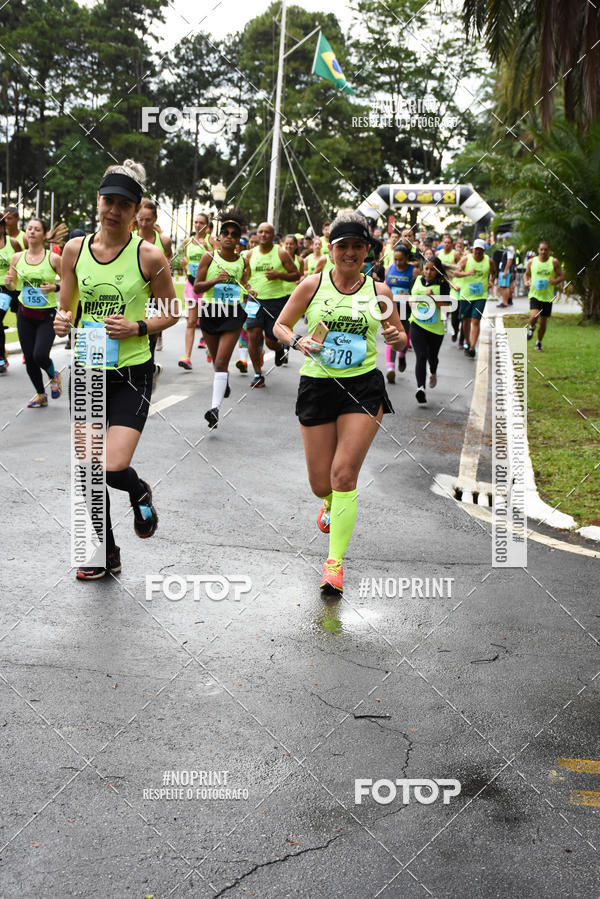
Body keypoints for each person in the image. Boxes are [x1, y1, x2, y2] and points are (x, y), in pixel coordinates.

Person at [53, 159, 178, 580]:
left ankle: (137, 489)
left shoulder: (149, 256)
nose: (113, 210)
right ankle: (106, 553)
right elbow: (67, 304)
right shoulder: (74, 250)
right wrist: (62, 319)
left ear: (134, 210)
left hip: (132, 373)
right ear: (98, 202)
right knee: (87, 470)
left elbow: (174, 312)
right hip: (88, 370)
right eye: (108, 201)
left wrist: (138, 326)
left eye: (123, 205)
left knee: (110, 466)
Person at [273, 212, 406, 594]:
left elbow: (397, 336)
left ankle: (334, 564)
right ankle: (329, 503)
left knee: (344, 474)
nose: (350, 253)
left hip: (362, 387)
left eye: (358, 246)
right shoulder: (311, 286)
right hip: (317, 386)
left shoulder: (379, 292)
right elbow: (279, 326)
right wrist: (296, 341)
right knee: (320, 483)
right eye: (343, 246)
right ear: (331, 249)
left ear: (368, 251)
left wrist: (397, 340)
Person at [193, 208, 252, 429]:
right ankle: (223, 380)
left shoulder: (242, 261)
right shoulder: (210, 257)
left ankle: (215, 410)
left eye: (234, 234)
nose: (229, 236)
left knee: (220, 362)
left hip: (232, 314)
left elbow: (243, 285)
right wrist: (215, 280)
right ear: (219, 236)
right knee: (216, 359)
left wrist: (249, 290)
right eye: (225, 232)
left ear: (238, 239)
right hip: (210, 311)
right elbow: (198, 286)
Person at [4, 218, 62, 405]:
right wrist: (9, 283)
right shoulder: (17, 257)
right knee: (29, 358)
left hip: (46, 315)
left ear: (44, 234)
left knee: (40, 355)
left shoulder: (53, 258)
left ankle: (54, 376)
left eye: (37, 229)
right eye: (29, 229)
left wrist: (54, 287)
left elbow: (68, 282)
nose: (31, 232)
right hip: (25, 313)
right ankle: (40, 395)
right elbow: (13, 285)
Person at [245, 221, 300, 387]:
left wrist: (278, 275)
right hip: (255, 301)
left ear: (273, 235)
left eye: (267, 232)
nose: (263, 235)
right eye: (260, 232)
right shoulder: (250, 254)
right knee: (253, 336)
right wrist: (247, 288)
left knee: (270, 340)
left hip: (276, 301)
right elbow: (243, 276)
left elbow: (296, 274)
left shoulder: (281, 253)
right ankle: (257, 374)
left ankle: (279, 350)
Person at [134, 198, 173, 392]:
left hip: (154, 295)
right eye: (140, 219)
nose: (143, 224)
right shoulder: (129, 236)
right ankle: (150, 369)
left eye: (148, 220)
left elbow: (169, 259)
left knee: (148, 333)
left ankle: (146, 374)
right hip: (135, 293)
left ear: (155, 219)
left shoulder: (163, 240)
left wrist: (167, 267)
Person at [409, 257, 453, 404]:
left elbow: (447, 306)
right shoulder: (417, 280)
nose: (428, 272)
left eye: (432, 269)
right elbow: (411, 298)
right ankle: (420, 388)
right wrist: (411, 303)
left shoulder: (443, 284)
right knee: (421, 356)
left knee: (432, 357)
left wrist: (433, 298)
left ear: (438, 271)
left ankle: (433, 372)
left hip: (435, 328)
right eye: (426, 268)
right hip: (417, 324)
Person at [179, 212, 216, 371]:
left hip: (207, 286)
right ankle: (187, 357)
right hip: (191, 284)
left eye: (201, 223)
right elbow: (187, 261)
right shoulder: (188, 241)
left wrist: (207, 247)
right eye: (196, 222)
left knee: (209, 322)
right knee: (191, 322)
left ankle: (211, 347)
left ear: (207, 226)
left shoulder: (212, 241)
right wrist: (185, 267)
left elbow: (219, 260)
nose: (198, 225)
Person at [454, 238, 496, 358]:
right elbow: (455, 272)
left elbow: (494, 272)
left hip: (480, 296)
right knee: (466, 321)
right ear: (473, 249)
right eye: (476, 249)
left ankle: (472, 347)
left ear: (484, 250)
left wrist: (491, 281)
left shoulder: (489, 261)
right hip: (466, 295)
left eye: (480, 250)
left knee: (475, 320)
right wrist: (467, 273)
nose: (478, 252)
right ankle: (467, 342)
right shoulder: (467, 259)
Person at [384, 242, 419, 381]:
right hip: (391, 307)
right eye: (395, 259)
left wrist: (409, 295)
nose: (398, 262)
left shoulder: (414, 271)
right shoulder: (389, 269)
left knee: (404, 333)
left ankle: (402, 355)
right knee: (390, 334)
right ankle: (390, 368)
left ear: (406, 258)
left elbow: (418, 291)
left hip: (406, 307)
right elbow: (385, 287)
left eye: (401, 259)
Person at [524, 240, 564, 350]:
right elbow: (526, 274)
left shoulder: (554, 262)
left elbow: (561, 276)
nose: (543, 251)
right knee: (533, 316)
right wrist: (526, 282)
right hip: (535, 295)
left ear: (549, 251)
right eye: (541, 249)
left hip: (547, 297)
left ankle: (538, 342)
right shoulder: (532, 262)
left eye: (545, 249)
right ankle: (531, 327)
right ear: (538, 250)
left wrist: (555, 281)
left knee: (543, 322)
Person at [0, 214, 23, 373]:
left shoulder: (13, 243)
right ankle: (1, 356)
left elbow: (23, 261)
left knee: (20, 319)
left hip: (10, 288)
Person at [496, 239, 516, 308]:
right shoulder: (509, 248)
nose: (503, 240)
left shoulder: (510, 248)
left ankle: (504, 302)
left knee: (504, 286)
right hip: (508, 269)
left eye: (505, 238)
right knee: (509, 285)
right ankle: (509, 301)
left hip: (506, 269)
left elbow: (509, 260)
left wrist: (505, 271)